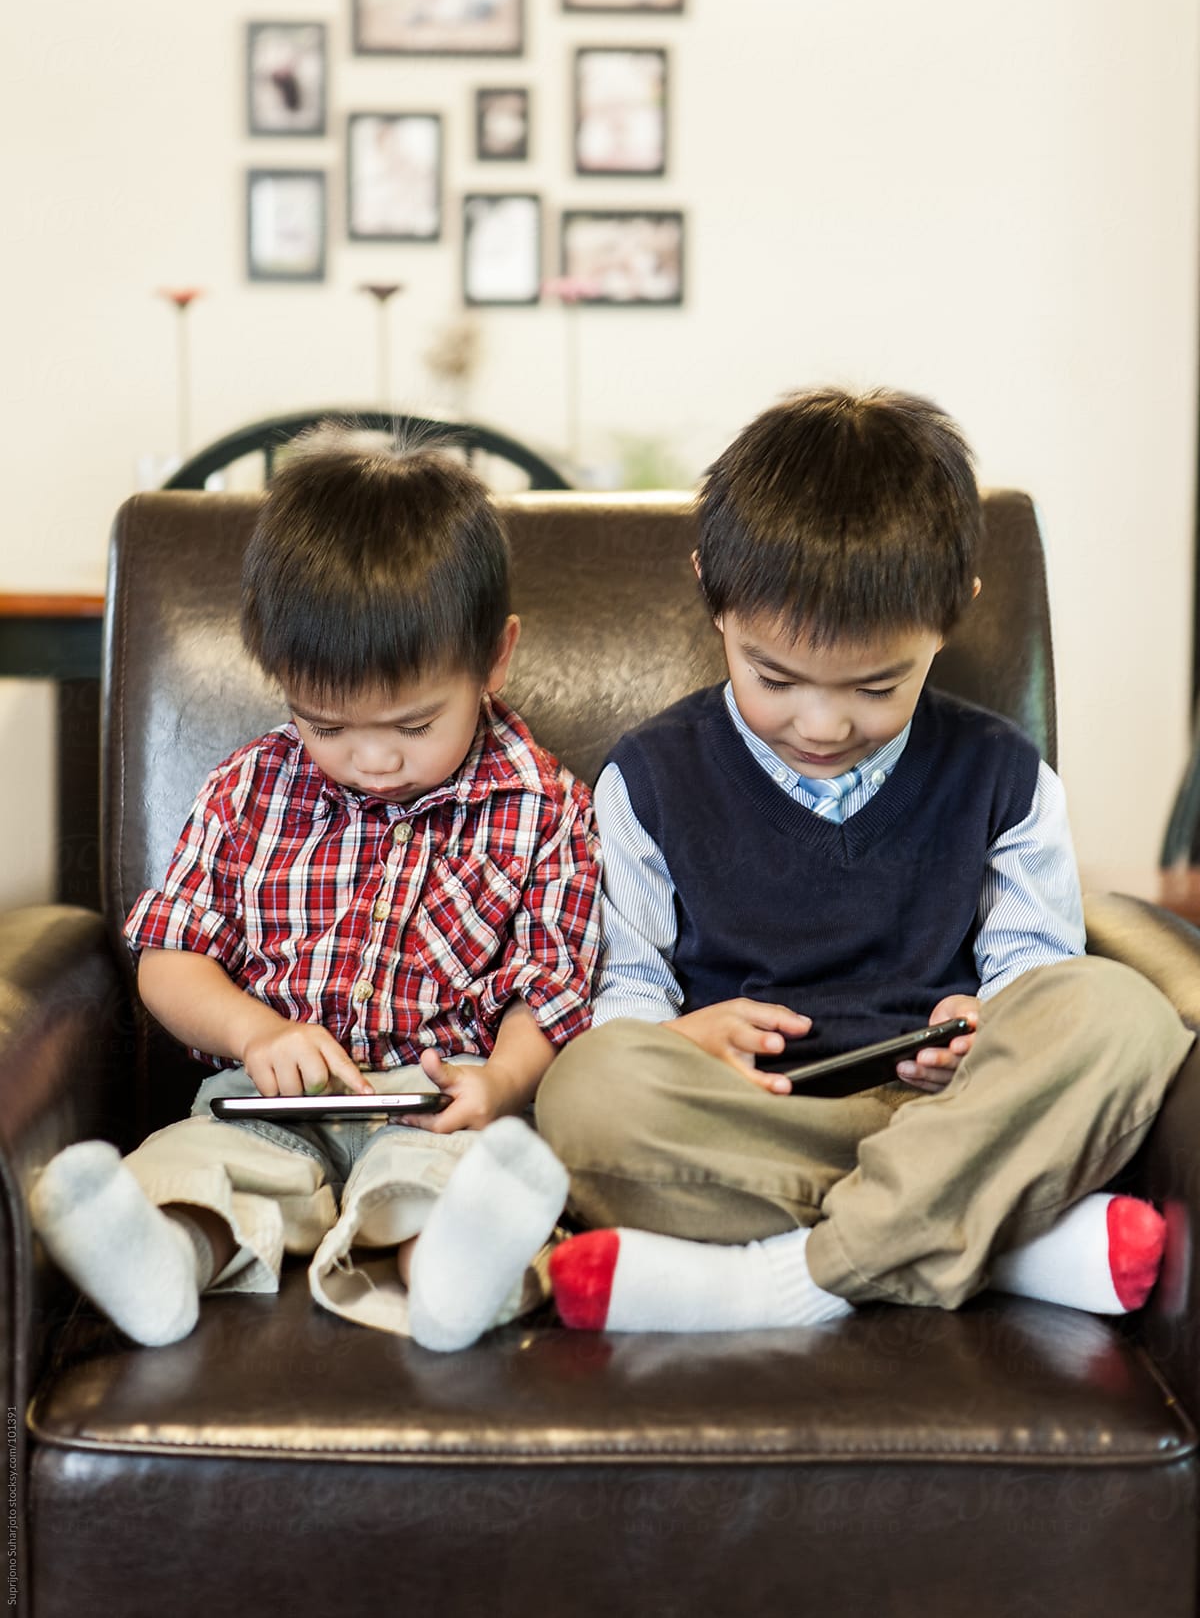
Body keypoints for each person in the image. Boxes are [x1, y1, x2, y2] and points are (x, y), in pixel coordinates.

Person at [537, 387, 1192, 1334]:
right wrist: (686, 1037)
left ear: (951, 614)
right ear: (712, 598)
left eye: (877, 685)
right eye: (774, 677)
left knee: (1123, 1015)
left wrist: (987, 1021)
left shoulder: (1005, 777)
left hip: (959, 1112)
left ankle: (794, 1276)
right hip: (755, 1120)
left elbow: (1032, 975)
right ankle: (993, 1239)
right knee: (588, 1093)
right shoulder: (647, 778)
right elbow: (628, 994)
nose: (823, 723)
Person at [31, 430, 600, 1352]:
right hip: (262, 1096)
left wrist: (501, 1079)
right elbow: (170, 958)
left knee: (440, 1187)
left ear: (494, 660)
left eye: (415, 724)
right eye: (326, 724)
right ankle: (159, 1263)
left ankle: (452, 1279)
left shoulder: (546, 810)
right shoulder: (249, 787)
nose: (372, 761)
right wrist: (253, 1030)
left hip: (430, 1097)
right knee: (200, 1170)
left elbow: (554, 989)